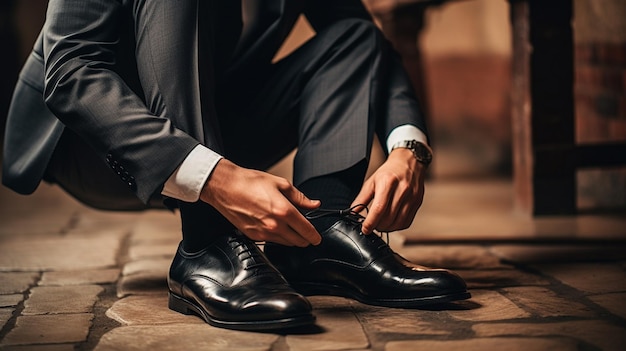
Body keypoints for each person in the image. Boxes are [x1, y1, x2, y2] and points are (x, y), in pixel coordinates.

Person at [3, 0, 470, 331]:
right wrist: (211, 176)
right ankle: (205, 242)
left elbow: (365, 38)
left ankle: (319, 240)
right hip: (95, 139)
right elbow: (72, 68)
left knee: (351, 37)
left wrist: (408, 148)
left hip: (218, 113)